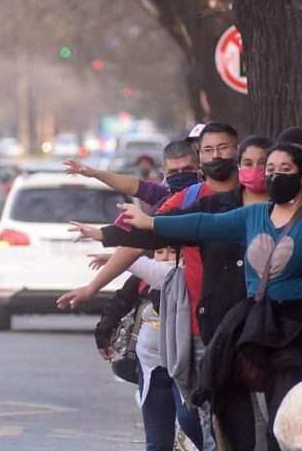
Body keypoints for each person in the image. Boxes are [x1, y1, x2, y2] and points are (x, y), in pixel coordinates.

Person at [113, 144, 302, 449]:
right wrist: (152, 223)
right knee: (279, 423)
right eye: (270, 170)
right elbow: (204, 224)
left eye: (284, 170)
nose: (273, 175)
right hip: (271, 332)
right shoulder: (255, 214)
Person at [68, 134, 273, 450]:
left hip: (264, 326)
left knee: (263, 416)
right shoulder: (195, 200)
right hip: (200, 329)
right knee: (203, 418)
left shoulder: (283, 208)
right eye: (208, 150)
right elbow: (145, 233)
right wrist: (101, 247)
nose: (216, 156)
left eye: (224, 149)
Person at [94, 248, 192, 451]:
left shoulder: (192, 275)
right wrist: (103, 335)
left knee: (190, 420)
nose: (165, 258)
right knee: (157, 439)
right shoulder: (144, 277)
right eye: (159, 252)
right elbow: (119, 302)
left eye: (172, 252)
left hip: (188, 365)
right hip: (150, 366)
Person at [64, 141, 200, 211]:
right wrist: (95, 173)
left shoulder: (211, 197)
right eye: (174, 172)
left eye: (187, 169)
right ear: (164, 173)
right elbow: (132, 186)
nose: (181, 176)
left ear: (199, 169)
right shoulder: (163, 197)